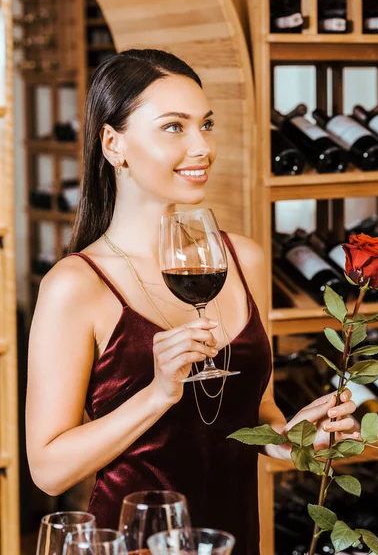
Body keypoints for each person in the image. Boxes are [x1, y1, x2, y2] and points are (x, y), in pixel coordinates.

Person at [26, 49, 358, 555]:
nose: (202, 146)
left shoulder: (241, 258)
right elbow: (49, 471)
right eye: (174, 128)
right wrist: (158, 393)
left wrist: (294, 441)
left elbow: (255, 417)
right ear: (114, 144)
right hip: (133, 543)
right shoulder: (76, 284)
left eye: (206, 124)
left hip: (236, 540)